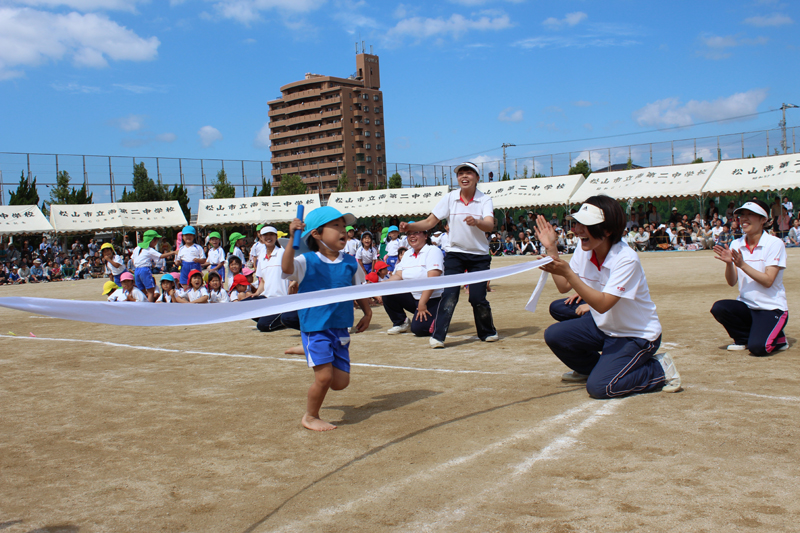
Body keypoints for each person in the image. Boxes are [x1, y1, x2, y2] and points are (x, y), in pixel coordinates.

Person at [536, 195, 682, 397]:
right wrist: (551, 249)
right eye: (577, 223)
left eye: (585, 224)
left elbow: (604, 304)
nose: (577, 230)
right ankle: (592, 369)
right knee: (555, 335)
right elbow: (563, 287)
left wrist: (569, 272)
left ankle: (659, 369)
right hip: (604, 327)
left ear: (607, 230)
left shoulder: (626, 259)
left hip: (635, 335)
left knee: (602, 387)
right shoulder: (584, 247)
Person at [282, 206, 372, 431]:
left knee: (340, 384)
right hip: (315, 327)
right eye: (336, 226)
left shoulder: (351, 262)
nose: (344, 230)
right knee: (323, 378)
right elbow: (286, 268)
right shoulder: (306, 261)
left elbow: (358, 289)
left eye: (344, 226)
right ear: (316, 234)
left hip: (340, 327)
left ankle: (307, 348)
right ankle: (310, 416)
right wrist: (292, 235)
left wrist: (367, 312)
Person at [401, 162, 497, 348]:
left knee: (477, 298)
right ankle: (438, 336)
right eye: (460, 173)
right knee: (450, 295)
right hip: (455, 254)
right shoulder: (450, 198)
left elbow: (489, 224)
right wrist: (410, 226)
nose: (464, 176)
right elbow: (430, 222)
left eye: (469, 173)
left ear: (477, 178)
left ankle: (487, 332)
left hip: (479, 255)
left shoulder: (484, 199)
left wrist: (477, 222)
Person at [711, 200, 789, 356]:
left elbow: (768, 281)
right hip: (747, 306)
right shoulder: (736, 244)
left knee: (759, 348)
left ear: (763, 220)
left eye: (750, 215)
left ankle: (779, 338)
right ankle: (743, 337)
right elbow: (732, 282)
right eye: (742, 215)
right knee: (719, 308)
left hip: (771, 308)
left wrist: (742, 264)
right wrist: (729, 264)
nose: (744, 219)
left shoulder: (774, 243)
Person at [382, 226, 443, 337]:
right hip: (412, 297)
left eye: (416, 232)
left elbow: (433, 279)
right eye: (409, 234)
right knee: (387, 290)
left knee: (419, 330)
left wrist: (422, 303)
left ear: (425, 236)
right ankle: (401, 322)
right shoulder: (407, 254)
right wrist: (381, 285)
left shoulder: (433, 251)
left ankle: (440, 317)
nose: (412, 236)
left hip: (432, 298)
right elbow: (399, 275)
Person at [251, 226, 299, 331]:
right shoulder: (261, 256)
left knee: (263, 326)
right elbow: (263, 280)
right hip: (266, 298)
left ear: (276, 237)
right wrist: (256, 294)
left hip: (281, 298)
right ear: (261, 237)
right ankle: (271, 316)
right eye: (265, 235)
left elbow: (297, 269)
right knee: (244, 305)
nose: (269, 237)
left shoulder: (282, 253)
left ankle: (284, 318)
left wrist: (293, 283)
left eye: (271, 234)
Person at [132, 230, 176, 302]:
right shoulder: (149, 249)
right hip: (145, 269)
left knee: (141, 290)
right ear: (152, 240)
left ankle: (143, 303)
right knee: (150, 291)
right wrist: (173, 252)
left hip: (136, 270)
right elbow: (161, 256)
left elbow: (133, 259)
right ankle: (149, 306)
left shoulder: (136, 248)